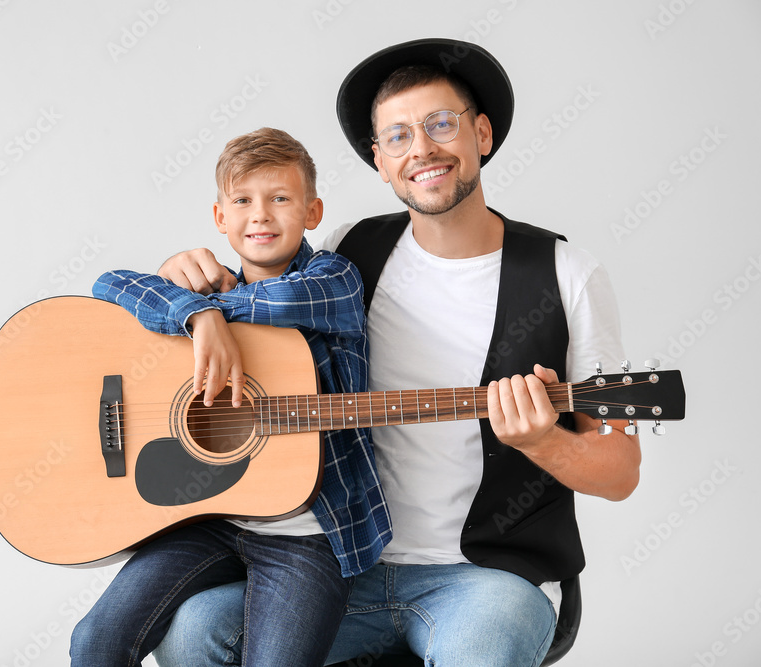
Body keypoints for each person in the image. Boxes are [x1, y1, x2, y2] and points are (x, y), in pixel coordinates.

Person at [149, 39, 642, 667]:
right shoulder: (348, 253)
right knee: (192, 629)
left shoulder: (566, 272)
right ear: (380, 161)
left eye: (442, 124)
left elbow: (621, 469)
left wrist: (545, 441)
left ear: (482, 134)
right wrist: (181, 286)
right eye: (399, 136)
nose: (424, 150)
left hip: (482, 580)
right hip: (339, 562)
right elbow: (246, 307)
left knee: (484, 646)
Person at [68, 127, 392, 667]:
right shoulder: (202, 296)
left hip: (310, 536)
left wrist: (208, 310)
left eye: (280, 199)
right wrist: (194, 312)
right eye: (243, 201)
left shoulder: (335, 279)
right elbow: (109, 285)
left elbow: (287, 300)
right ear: (221, 218)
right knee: (96, 640)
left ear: (312, 212)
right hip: (212, 518)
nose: (260, 215)